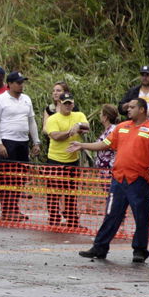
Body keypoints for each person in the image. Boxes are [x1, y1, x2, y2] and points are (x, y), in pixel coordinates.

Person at [74, 98, 149, 263]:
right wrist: (83, 145)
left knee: (141, 217)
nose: (128, 110)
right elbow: (104, 144)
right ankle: (100, 247)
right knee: (111, 214)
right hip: (118, 178)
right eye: (128, 107)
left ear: (142, 110)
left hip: (139, 180)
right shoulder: (122, 127)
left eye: (132, 107)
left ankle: (140, 250)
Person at [0, 71, 39, 223]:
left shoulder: (26, 99)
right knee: (6, 178)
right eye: (18, 83)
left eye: (22, 83)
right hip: (7, 141)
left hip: (22, 142)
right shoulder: (0, 99)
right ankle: (6, 210)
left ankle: (14, 208)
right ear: (10, 84)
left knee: (19, 178)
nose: (21, 85)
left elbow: (31, 121)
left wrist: (36, 141)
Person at [43, 92, 89, 229]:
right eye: (65, 104)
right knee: (54, 191)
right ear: (60, 104)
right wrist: (70, 132)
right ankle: (54, 217)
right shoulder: (53, 119)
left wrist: (79, 125)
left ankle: (72, 218)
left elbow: (87, 126)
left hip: (73, 160)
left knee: (71, 191)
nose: (68, 106)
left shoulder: (78, 115)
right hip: (55, 159)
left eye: (70, 103)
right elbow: (55, 136)